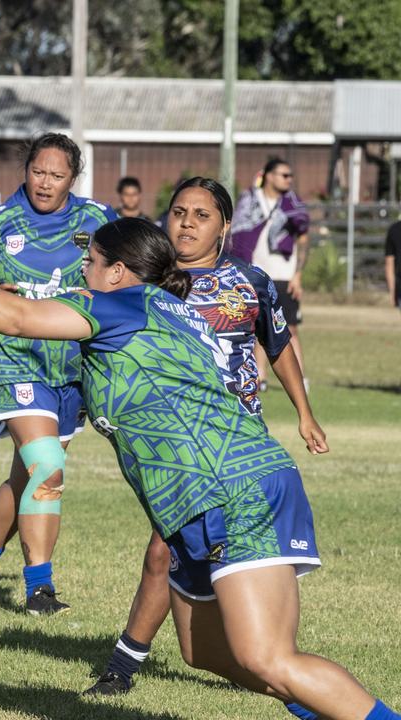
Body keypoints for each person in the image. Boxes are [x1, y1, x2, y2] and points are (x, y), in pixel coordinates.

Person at [0, 217, 401, 720]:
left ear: (118, 271)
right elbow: (32, 310)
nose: (82, 271)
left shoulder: (128, 304)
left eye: (89, 261)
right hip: (196, 502)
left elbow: (22, 320)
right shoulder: (153, 307)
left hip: (231, 489)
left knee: (268, 658)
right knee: (203, 652)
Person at [85, 177, 327, 696]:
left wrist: (303, 412)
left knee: (167, 551)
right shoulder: (147, 284)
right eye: (177, 212)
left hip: (230, 445)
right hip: (177, 443)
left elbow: (279, 344)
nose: (187, 222)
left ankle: (136, 660)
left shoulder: (250, 280)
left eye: (201, 214)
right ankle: (147, 659)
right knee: (166, 553)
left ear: (224, 225)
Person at [0, 133, 117, 616]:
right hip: (13, 361)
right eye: (38, 171)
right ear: (26, 170)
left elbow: (133, 270)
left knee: (29, 477)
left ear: (72, 179)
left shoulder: (98, 221)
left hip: (73, 369)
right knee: (46, 467)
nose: (45, 182)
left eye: (57, 175)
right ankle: (39, 588)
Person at [231, 158, 311, 391]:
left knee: (290, 328)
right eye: (284, 175)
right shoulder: (249, 201)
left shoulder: (292, 204)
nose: (289, 180)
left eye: (290, 176)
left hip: (284, 275)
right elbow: (238, 232)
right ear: (268, 175)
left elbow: (304, 240)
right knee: (256, 329)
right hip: (254, 273)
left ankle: (299, 378)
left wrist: (298, 275)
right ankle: (259, 377)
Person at [385, 218, 401, 311]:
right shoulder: (394, 230)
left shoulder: (394, 229)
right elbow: (389, 264)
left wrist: (392, 293)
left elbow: (389, 264)